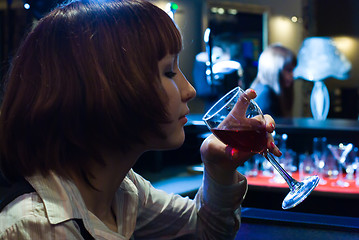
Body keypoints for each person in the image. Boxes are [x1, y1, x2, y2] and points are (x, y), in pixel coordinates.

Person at [0, 0, 280, 239]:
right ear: (106, 90)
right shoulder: (35, 227)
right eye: (169, 72)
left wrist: (218, 167)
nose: (189, 90)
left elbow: (206, 230)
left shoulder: (124, 190)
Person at [250, 44, 297, 117]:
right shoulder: (265, 95)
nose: (293, 75)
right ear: (273, 71)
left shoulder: (261, 89)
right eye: (288, 70)